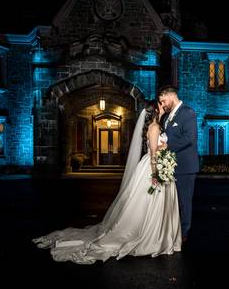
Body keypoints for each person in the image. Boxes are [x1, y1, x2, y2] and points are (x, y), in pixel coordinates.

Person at [32, 100, 181, 264]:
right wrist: (155, 173)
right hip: (152, 168)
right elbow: (153, 153)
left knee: (154, 203)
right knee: (148, 202)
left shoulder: (158, 126)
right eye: (160, 105)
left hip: (159, 164)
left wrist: (165, 154)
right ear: (155, 110)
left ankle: (160, 233)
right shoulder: (154, 127)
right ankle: (151, 235)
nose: (163, 106)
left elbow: (159, 149)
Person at [158, 85, 199, 242]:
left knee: (184, 201)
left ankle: (184, 233)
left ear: (171, 96)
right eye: (161, 102)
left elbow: (189, 138)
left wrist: (168, 145)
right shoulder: (169, 116)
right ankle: (174, 229)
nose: (162, 104)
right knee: (173, 201)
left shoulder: (188, 113)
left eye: (163, 101)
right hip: (172, 165)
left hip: (186, 167)